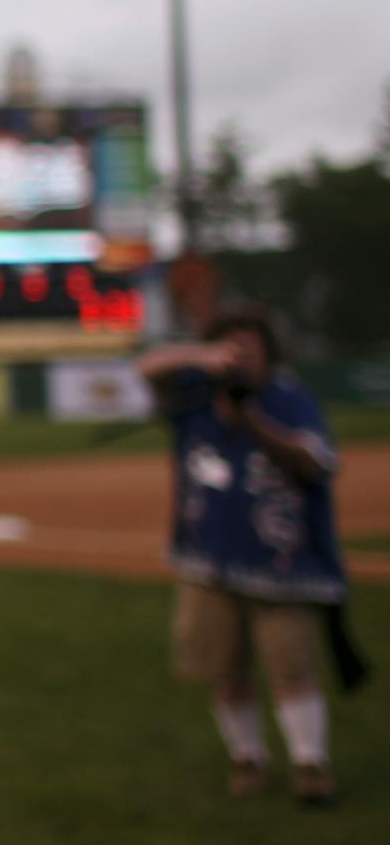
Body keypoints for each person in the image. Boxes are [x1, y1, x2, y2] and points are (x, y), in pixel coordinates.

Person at [138, 303, 348, 806]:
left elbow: (315, 463)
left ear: (269, 353)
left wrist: (253, 423)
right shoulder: (194, 396)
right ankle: (247, 759)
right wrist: (200, 357)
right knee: (226, 670)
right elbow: (146, 367)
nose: (241, 359)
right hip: (208, 562)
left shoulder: (290, 400)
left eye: (250, 350)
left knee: (291, 666)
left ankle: (310, 764)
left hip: (282, 566)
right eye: (231, 349)